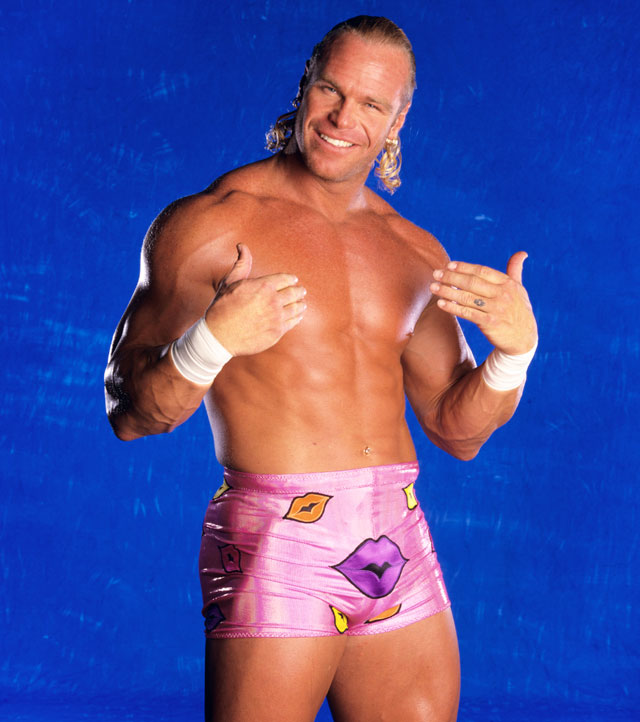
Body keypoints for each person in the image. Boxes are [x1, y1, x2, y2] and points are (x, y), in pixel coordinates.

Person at [105, 15, 537, 722]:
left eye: (370, 103)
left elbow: (457, 431)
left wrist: (514, 355)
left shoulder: (413, 251)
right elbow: (127, 413)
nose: (342, 117)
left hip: (397, 535)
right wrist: (211, 341)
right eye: (331, 89)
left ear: (398, 118)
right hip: (278, 540)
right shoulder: (212, 224)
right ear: (306, 82)